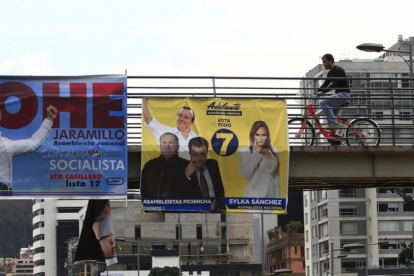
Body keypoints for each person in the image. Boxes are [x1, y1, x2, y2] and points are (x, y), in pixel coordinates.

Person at [0, 105, 58, 195]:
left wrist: (49, 120)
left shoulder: (6, 145)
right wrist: (49, 120)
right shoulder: (5, 145)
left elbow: (32, 144)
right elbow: (32, 144)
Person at [239, 121, 280, 198]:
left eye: (263, 135)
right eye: (257, 135)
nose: (260, 139)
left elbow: (273, 168)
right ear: (252, 136)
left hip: (271, 197)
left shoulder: (273, 150)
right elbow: (245, 174)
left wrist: (264, 152)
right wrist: (256, 153)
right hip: (253, 197)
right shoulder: (244, 150)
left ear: (267, 136)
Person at [141, 132, 190, 197]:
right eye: (164, 143)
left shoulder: (186, 165)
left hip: (179, 205)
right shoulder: (150, 165)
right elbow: (143, 188)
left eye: (171, 143)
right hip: (153, 205)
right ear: (160, 146)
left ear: (178, 146)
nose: (167, 146)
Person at [185, 137, 226, 212]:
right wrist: (186, 176)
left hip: (215, 215)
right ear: (190, 154)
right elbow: (178, 195)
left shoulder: (213, 164)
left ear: (207, 153)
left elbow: (220, 192)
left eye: (202, 154)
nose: (199, 158)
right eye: (195, 155)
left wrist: (222, 214)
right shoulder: (183, 168)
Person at [314, 54, 351, 128]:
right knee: (331, 119)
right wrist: (315, 92)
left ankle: (334, 123)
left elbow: (335, 84)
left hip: (344, 95)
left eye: (325, 62)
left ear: (330, 61)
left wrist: (322, 92)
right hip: (339, 96)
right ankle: (336, 138)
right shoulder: (330, 73)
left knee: (323, 103)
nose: (323, 64)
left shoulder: (339, 70)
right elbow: (325, 84)